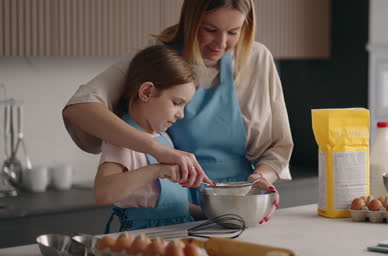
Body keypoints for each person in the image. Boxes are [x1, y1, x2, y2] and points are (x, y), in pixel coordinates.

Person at [62, 0, 293, 224]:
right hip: (179, 197)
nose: (221, 44)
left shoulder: (257, 58)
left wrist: (261, 180)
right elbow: (80, 108)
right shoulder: (158, 57)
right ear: (190, 21)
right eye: (210, 30)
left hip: (238, 200)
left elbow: (278, 147)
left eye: (234, 32)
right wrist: (158, 151)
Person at [94, 45, 206, 232]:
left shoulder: (164, 137)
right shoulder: (123, 138)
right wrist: (156, 170)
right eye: (177, 103)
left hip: (179, 230)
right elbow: (103, 193)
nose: (181, 115)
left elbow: (168, 205)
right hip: (144, 236)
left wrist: (206, 214)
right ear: (146, 92)